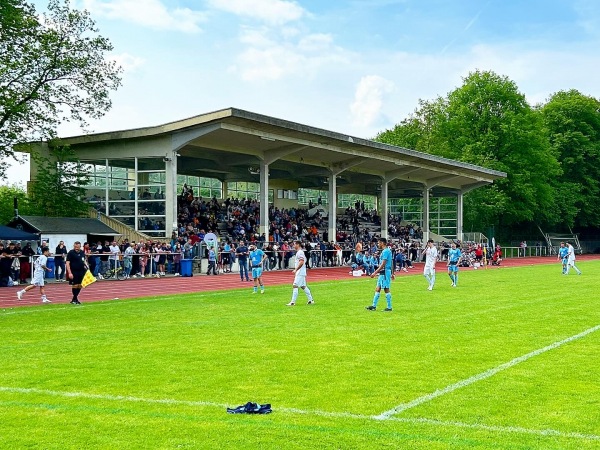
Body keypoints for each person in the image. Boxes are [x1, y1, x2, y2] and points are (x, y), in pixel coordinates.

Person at [365, 237, 393, 311]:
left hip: (385, 272)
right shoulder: (386, 251)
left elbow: (383, 264)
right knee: (378, 288)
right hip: (383, 272)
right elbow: (391, 262)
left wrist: (374, 272)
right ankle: (373, 306)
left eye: (379, 243)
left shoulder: (385, 251)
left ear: (382, 243)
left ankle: (389, 307)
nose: (378, 244)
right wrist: (393, 273)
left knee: (386, 289)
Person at [286, 240, 314, 306]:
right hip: (301, 271)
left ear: (298, 245)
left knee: (295, 285)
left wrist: (296, 269)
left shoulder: (300, 252)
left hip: (300, 272)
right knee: (303, 286)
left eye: (294, 244)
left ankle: (292, 302)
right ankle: (311, 300)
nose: (293, 245)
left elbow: (301, 262)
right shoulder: (299, 252)